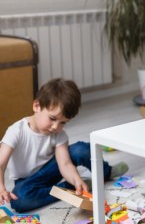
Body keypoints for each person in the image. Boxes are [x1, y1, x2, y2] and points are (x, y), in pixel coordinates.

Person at [0, 78, 129, 212]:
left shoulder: (59, 134)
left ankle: (105, 173)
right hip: (28, 182)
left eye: (63, 123)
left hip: (52, 171)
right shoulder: (16, 131)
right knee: (19, 200)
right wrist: (1, 187)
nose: (56, 126)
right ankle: (69, 188)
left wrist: (75, 178)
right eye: (52, 118)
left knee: (81, 150)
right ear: (36, 106)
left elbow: (65, 164)